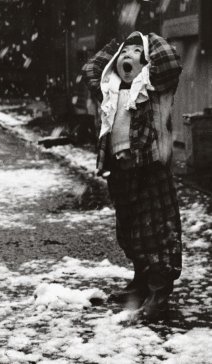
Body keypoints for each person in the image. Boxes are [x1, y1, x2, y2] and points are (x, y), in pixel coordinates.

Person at [82, 32, 182, 321]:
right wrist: (119, 44)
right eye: (124, 52)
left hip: (151, 171)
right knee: (130, 230)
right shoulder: (109, 89)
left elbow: (170, 61)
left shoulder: (154, 88)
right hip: (122, 172)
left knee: (158, 233)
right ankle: (140, 283)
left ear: (149, 60)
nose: (128, 55)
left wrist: (147, 38)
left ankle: (159, 291)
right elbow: (92, 67)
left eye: (137, 51)